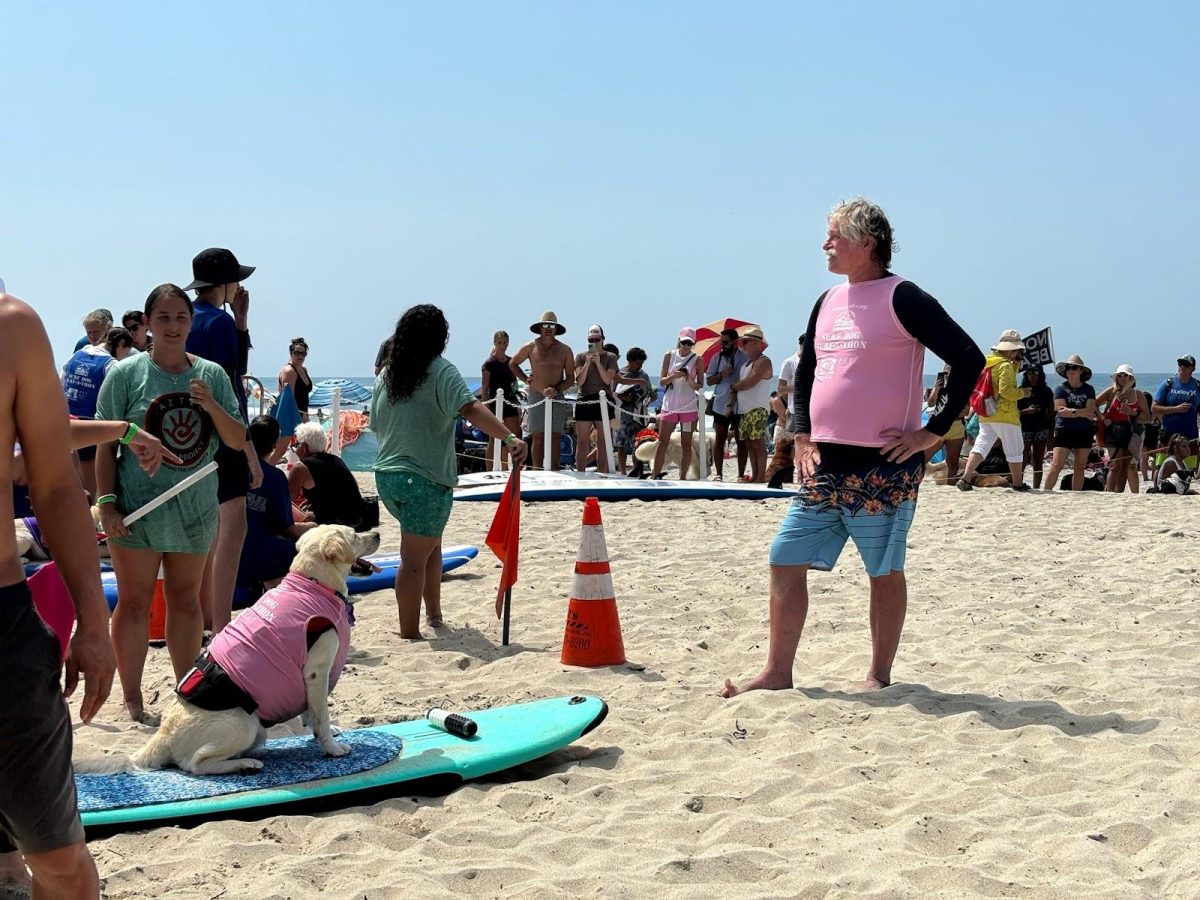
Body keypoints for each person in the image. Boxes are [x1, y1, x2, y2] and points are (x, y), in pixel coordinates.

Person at [722, 198, 983, 697]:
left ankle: (877, 675)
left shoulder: (904, 298)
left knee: (882, 569)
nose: (825, 243)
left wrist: (934, 431)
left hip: (884, 462)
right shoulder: (826, 301)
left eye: (834, 235)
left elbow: (969, 360)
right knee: (783, 557)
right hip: (825, 460)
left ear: (866, 243)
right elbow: (808, 372)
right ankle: (778, 672)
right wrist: (801, 432)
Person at [0, 287, 116, 899]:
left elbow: (57, 488)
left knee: (62, 861)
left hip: (2, 629)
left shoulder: (12, 328)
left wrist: (94, 626)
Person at [96, 283, 248, 722]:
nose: (173, 326)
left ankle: (187, 696)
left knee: (186, 601)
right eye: (162, 318)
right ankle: (132, 699)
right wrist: (107, 504)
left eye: (181, 318)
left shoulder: (212, 375)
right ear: (146, 324)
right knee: (135, 602)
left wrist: (211, 406)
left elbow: (236, 439)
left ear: (190, 322)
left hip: (194, 508)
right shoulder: (126, 375)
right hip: (137, 509)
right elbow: (106, 443)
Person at [372, 305, 528, 638]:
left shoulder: (387, 375)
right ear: (439, 338)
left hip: (387, 476)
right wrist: (510, 437)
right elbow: (471, 408)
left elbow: (376, 424)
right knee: (413, 560)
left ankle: (435, 616)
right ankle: (409, 633)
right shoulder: (441, 370)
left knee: (431, 546)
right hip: (424, 480)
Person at [184, 247, 264, 636]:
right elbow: (234, 384)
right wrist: (248, 449)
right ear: (225, 283)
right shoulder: (219, 324)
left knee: (205, 533)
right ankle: (222, 625)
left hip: (188, 435)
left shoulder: (187, 319)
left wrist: (242, 320)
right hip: (221, 434)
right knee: (233, 529)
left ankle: (202, 618)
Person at [239, 416, 317, 597]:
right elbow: (288, 529)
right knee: (308, 543)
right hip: (259, 555)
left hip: (228, 549)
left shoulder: (230, 470)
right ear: (274, 446)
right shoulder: (274, 478)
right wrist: (312, 528)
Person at [956, 330, 1031, 491]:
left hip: (986, 413)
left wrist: (1015, 365)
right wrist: (1022, 393)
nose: (1019, 353)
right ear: (1012, 350)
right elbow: (1006, 391)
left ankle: (966, 478)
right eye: (1018, 350)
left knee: (981, 446)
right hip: (1005, 415)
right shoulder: (1005, 366)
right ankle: (1018, 483)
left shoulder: (988, 363)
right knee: (1015, 449)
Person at [509, 311, 574, 471]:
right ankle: (538, 470)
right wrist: (525, 379)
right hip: (536, 395)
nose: (548, 329)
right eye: (545, 325)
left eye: (551, 326)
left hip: (557, 396)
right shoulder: (530, 346)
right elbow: (513, 363)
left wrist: (556, 389)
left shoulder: (565, 349)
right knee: (537, 436)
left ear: (556, 328)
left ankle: (554, 470)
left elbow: (571, 377)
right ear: (539, 327)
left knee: (555, 436)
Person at [60, 326, 117, 498]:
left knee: (73, 482)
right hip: (91, 426)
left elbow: (60, 383)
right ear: (121, 345)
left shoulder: (76, 355)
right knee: (94, 490)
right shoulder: (111, 365)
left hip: (67, 422)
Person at [287, 422, 367, 528]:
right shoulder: (336, 460)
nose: (296, 450)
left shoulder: (300, 468)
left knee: (287, 527)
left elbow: (286, 502)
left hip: (332, 526)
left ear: (304, 447)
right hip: (357, 521)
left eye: (296, 446)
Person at [651, 328, 704, 479]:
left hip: (688, 407)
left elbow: (700, 386)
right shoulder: (669, 355)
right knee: (662, 442)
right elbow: (662, 381)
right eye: (684, 342)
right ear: (679, 340)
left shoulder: (698, 360)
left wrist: (688, 379)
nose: (686, 346)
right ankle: (655, 474)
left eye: (690, 343)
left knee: (686, 443)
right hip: (670, 405)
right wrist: (674, 375)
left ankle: (682, 476)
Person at [1041, 354, 1097, 491]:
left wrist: (1072, 411)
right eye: (1068, 367)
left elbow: (1090, 412)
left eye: (1075, 367)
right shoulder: (1060, 388)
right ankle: (1046, 492)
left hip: (1084, 431)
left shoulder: (1089, 389)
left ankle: (1076, 494)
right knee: (1056, 465)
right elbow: (1060, 410)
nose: (1071, 370)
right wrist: (1080, 412)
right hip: (1064, 429)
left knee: (1079, 467)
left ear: (1081, 371)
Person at [1096, 364, 1149, 493]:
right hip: (1113, 430)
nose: (1122, 378)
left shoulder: (1138, 394)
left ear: (1131, 377)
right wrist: (1103, 418)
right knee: (1115, 465)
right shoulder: (1112, 391)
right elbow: (1093, 403)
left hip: (1131, 431)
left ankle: (1119, 493)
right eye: (1119, 375)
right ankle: (1109, 493)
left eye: (1125, 375)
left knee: (1126, 466)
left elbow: (1147, 417)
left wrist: (1132, 412)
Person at [573, 324, 619, 473]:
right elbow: (579, 381)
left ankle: (602, 473)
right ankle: (580, 472)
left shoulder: (610, 357)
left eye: (597, 339)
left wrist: (598, 363)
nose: (594, 342)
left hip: (603, 400)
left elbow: (607, 380)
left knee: (603, 441)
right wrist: (587, 363)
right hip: (585, 398)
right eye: (591, 339)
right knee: (582, 440)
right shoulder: (580, 357)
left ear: (602, 339)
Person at [705, 328, 748, 481]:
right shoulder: (716, 358)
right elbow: (709, 381)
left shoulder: (745, 357)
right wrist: (721, 375)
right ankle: (719, 474)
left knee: (741, 439)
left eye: (725, 342)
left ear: (735, 342)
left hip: (740, 402)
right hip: (721, 402)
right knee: (720, 438)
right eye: (721, 342)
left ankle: (741, 475)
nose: (722, 345)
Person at [731, 327, 773, 483]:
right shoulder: (746, 364)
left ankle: (761, 476)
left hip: (757, 408)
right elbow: (745, 383)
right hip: (745, 409)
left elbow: (750, 382)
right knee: (749, 443)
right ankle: (756, 475)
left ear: (756, 343)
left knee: (757, 442)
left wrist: (735, 386)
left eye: (746, 342)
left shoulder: (763, 361)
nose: (743, 345)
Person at [481, 330, 522, 471]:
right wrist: (488, 411)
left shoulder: (511, 362)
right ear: (495, 343)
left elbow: (515, 386)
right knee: (493, 438)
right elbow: (484, 388)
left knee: (513, 436)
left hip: (510, 402)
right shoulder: (489, 364)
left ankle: (512, 468)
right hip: (494, 404)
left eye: (505, 342)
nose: (502, 345)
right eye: (499, 342)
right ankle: (489, 470)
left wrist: (517, 404)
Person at [613, 347, 653, 474]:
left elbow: (651, 393)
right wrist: (625, 397)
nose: (639, 366)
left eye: (641, 363)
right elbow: (613, 393)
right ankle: (623, 472)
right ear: (629, 361)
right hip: (622, 414)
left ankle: (637, 470)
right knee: (621, 444)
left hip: (639, 414)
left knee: (639, 444)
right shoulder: (620, 373)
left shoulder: (644, 376)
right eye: (637, 363)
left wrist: (648, 399)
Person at [1152, 355, 1200, 458]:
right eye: (1180, 364)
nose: (1182, 367)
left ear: (1193, 369)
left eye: (1186, 365)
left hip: (1190, 434)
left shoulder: (1197, 386)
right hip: (1168, 434)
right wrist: (1175, 409)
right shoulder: (1168, 384)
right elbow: (1154, 408)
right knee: (1161, 468)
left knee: (1189, 470)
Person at [1018, 365, 1055, 488]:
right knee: (1022, 459)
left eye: (1035, 372)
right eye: (1029, 372)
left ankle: (1036, 487)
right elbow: (1013, 412)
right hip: (1024, 428)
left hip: (1041, 428)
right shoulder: (1020, 390)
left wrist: (1051, 435)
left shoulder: (1046, 391)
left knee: (1038, 461)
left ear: (1040, 374)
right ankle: (1018, 483)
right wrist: (1026, 411)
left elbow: (1051, 415)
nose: (1032, 375)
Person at [277, 337, 313, 421]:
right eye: (297, 353)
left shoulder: (303, 369)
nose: (300, 356)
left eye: (303, 354)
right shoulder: (289, 371)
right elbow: (288, 400)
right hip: (292, 416)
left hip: (303, 415)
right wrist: (300, 416)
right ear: (291, 354)